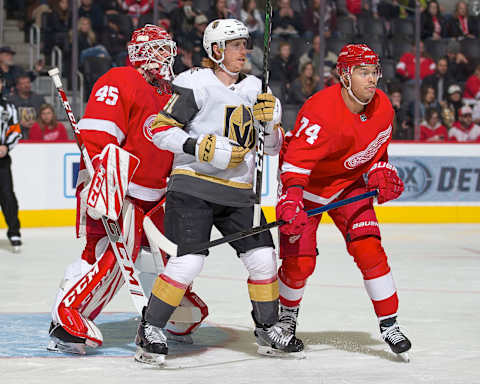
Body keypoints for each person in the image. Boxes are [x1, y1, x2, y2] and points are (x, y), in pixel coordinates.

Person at [134, 18, 304, 366]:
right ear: (216, 50)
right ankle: (149, 328)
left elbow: (271, 148)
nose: (245, 50)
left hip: (240, 192)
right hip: (193, 186)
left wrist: (271, 124)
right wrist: (200, 147)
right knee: (190, 260)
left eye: (246, 44)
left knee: (263, 259)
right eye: (236, 45)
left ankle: (268, 329)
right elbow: (157, 128)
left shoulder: (258, 86)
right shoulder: (194, 82)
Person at [47, 24, 207, 355]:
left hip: (160, 194)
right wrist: (103, 185)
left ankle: (171, 311)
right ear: (141, 54)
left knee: (176, 256)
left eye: (168, 48)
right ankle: (67, 318)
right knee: (110, 257)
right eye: (160, 49)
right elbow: (97, 137)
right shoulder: (120, 79)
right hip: (120, 191)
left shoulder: (173, 92)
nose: (167, 56)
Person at [275, 44, 412, 359]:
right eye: (364, 72)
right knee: (300, 263)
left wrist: (380, 173)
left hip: (349, 186)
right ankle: (287, 315)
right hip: (308, 188)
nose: (372, 79)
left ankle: (389, 323)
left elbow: (377, 153)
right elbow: (296, 165)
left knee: (370, 250)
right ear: (345, 75)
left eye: (374, 72)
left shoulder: (384, 109)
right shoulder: (320, 110)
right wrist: (293, 199)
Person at [0, 73, 22, 253]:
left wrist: (6, 146)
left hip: (2, 160)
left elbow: (15, 130)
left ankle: (14, 232)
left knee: (7, 195)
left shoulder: (9, 107)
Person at [8, 75, 46, 139]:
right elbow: (6, 120)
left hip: (38, 133)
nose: (26, 85)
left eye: (28, 82)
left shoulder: (39, 99)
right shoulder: (10, 100)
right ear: (17, 86)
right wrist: (19, 124)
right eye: (23, 83)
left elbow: (47, 115)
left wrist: (37, 122)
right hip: (16, 134)